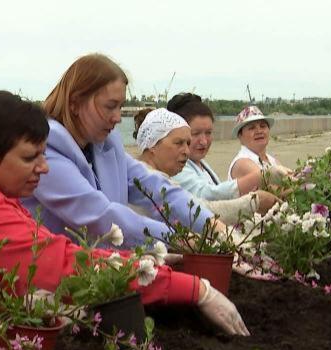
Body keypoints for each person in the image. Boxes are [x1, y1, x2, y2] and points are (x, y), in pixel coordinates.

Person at [0, 90, 249, 336]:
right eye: (31, 157)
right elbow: (63, 266)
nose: (44, 167)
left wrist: (145, 260)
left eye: (44, 155)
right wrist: (195, 289)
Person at [22, 54, 222, 248]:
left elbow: (154, 186)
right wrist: (178, 239)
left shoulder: (106, 144)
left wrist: (212, 226)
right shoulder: (44, 150)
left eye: (120, 106)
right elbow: (99, 216)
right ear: (75, 103)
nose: (118, 117)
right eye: (110, 106)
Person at [133, 108, 274, 224]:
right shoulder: (146, 180)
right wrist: (253, 202)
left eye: (187, 143)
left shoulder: (158, 175)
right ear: (153, 145)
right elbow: (196, 209)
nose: (187, 151)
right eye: (178, 143)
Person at [166, 94, 279, 214]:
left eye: (208, 133)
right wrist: (262, 177)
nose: (203, 141)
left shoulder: (201, 164)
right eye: (195, 133)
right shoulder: (176, 168)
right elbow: (205, 195)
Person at [227, 105, 293, 183]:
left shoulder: (271, 160)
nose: (259, 131)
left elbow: (290, 179)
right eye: (252, 128)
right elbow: (274, 188)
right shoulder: (242, 163)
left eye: (263, 126)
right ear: (240, 136)